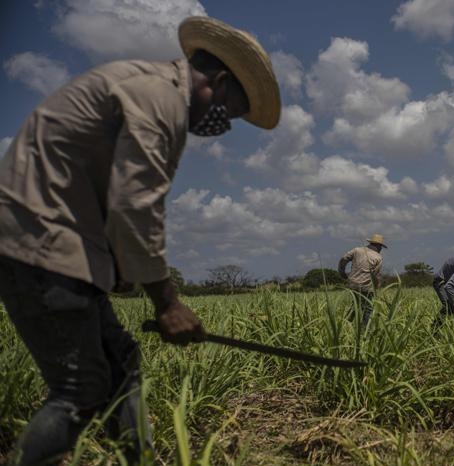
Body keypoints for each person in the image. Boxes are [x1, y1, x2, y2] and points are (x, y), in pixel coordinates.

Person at [0, 16, 281, 465]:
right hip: (40, 245)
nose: (225, 125)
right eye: (230, 110)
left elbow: (106, 190)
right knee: (80, 389)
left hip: (57, 242)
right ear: (219, 80)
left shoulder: (147, 88)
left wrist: (118, 267)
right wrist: (167, 303)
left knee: (121, 359)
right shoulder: (160, 99)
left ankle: (139, 459)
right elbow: (135, 204)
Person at [338, 234, 386, 329]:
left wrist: (342, 273)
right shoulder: (378, 257)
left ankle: (345, 325)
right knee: (367, 309)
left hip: (352, 284)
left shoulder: (357, 250)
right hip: (366, 287)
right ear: (379, 246)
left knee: (356, 305)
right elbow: (377, 276)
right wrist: (376, 289)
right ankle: (364, 330)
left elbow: (344, 259)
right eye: (381, 247)